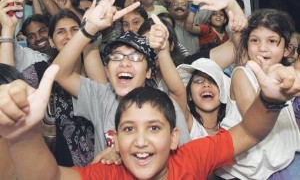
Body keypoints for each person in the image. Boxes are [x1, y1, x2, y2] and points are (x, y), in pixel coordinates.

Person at [1, 58, 300, 179]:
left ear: (174, 137)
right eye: (129, 128)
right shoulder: (108, 174)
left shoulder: (192, 158)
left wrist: (271, 100)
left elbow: (249, 131)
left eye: (154, 127)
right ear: (115, 139)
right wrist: (23, 135)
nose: (141, 141)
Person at [52, 0, 191, 154]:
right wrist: (89, 29)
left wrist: (162, 50)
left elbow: (185, 161)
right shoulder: (101, 98)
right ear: (107, 71)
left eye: (135, 57)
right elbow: (59, 72)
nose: (124, 63)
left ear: (148, 71)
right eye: (117, 57)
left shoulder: (166, 105)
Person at [217, 9, 300, 179]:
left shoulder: (285, 73)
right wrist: (267, 88)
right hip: (251, 166)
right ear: (247, 45)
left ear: (286, 49)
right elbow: (252, 119)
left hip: (280, 156)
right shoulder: (241, 74)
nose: (262, 48)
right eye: (255, 40)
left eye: (272, 41)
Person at [177, 58, 229, 139]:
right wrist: (163, 52)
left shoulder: (232, 126)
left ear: (223, 92)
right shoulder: (188, 125)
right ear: (189, 95)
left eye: (213, 81)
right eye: (198, 81)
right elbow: (175, 90)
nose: (206, 85)